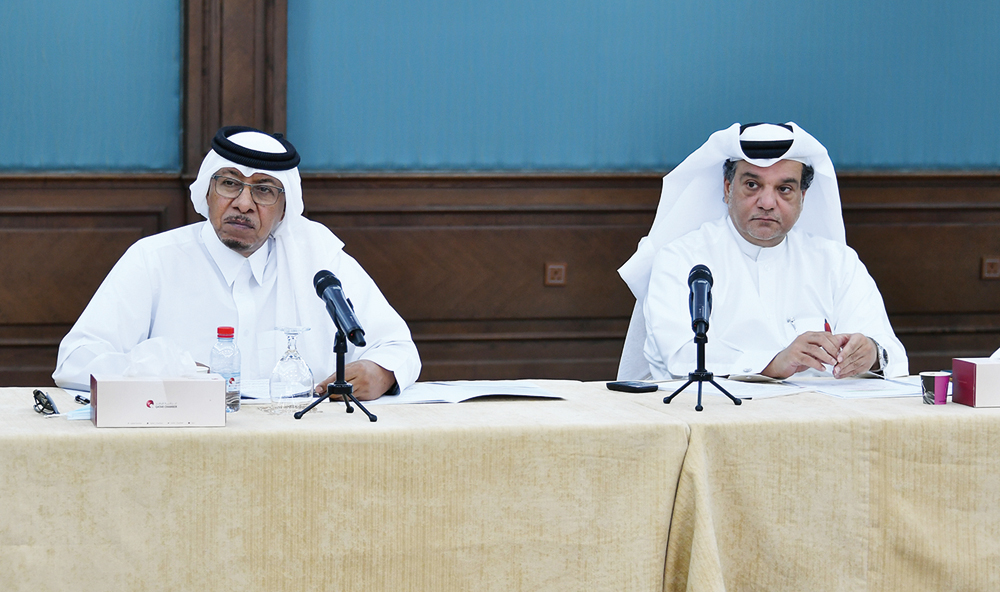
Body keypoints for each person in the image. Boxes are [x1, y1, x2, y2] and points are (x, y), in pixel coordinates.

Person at [53, 126, 420, 400]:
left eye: (263, 190)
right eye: (230, 183)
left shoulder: (320, 262)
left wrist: (380, 371)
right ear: (208, 192)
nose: (244, 203)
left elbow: (397, 348)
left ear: (284, 209)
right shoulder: (153, 260)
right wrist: (167, 371)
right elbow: (75, 361)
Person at [617, 122, 907, 380]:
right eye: (753, 185)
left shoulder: (837, 262)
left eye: (784, 189)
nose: (767, 202)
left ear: (802, 197)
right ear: (728, 188)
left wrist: (872, 353)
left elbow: (890, 353)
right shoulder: (681, 259)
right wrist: (771, 363)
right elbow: (679, 355)